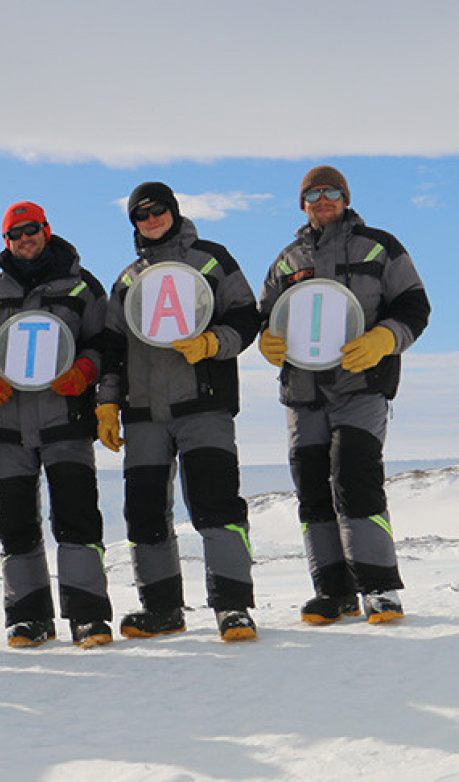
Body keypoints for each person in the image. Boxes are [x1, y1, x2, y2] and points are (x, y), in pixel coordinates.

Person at [257, 165, 430, 625]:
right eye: (313, 194)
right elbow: (266, 315)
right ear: (302, 203)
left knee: (355, 478)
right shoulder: (287, 260)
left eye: (331, 191)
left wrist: (383, 341)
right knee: (313, 490)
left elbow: (415, 306)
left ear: (346, 197)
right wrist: (266, 340)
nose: (323, 199)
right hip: (302, 392)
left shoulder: (381, 246)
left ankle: (380, 590)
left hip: (362, 386)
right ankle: (333, 592)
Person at [97, 182, 261, 642]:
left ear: (173, 210)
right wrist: (107, 402)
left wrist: (215, 343)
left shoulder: (212, 259)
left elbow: (247, 317)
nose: (151, 220)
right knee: (145, 512)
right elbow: (112, 348)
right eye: (141, 215)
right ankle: (163, 609)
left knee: (216, 506)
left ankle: (234, 607)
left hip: (203, 404)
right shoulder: (128, 279)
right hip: (144, 412)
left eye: (157, 211)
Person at [0, 203, 113, 649]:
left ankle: (88, 616)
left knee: (76, 518)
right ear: (6, 241)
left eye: (31, 230)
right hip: (7, 424)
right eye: (15, 234)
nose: (24, 239)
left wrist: (87, 372)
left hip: (65, 420)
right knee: (15, 524)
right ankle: (28, 617)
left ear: (47, 230)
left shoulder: (83, 285)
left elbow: (105, 342)